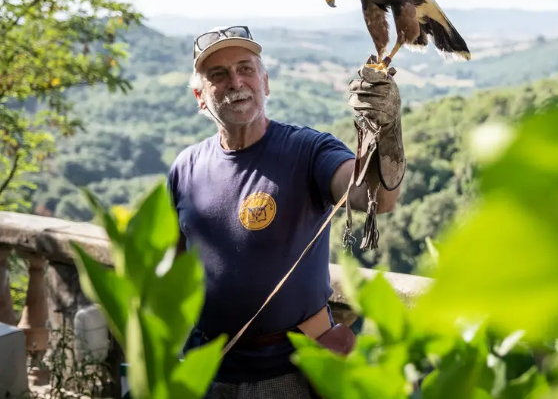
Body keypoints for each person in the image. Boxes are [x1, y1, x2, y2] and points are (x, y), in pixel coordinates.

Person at [166, 25, 406, 398]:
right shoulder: (185, 167)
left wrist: (387, 131)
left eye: (245, 68)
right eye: (218, 75)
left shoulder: (308, 150)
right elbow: (175, 268)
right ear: (200, 97)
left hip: (290, 371)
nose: (235, 81)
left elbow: (376, 197)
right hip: (208, 368)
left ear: (265, 82)